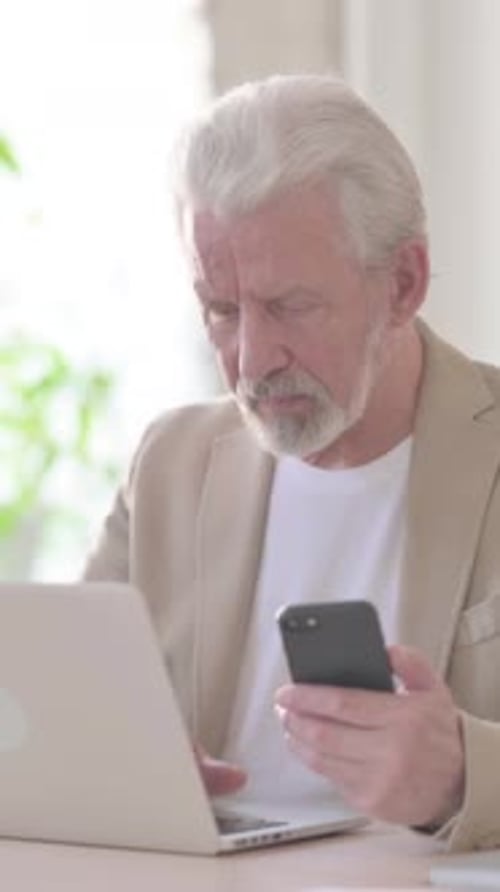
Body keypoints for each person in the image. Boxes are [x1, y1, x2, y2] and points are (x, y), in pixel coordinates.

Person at [84, 74, 500, 853]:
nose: (250, 358)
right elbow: (54, 711)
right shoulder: (170, 465)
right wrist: (120, 766)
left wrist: (464, 774)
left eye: (289, 307)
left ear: (403, 283)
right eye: (221, 308)